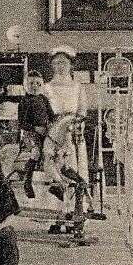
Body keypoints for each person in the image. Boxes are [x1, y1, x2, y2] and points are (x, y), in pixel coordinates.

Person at [41, 46, 91, 231]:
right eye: (57, 63)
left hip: (74, 136)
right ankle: (56, 217)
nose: (60, 66)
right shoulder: (46, 88)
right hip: (54, 135)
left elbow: (82, 111)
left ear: (71, 65)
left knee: (74, 172)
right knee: (55, 174)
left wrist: (75, 126)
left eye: (64, 62)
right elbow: (42, 113)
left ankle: (75, 215)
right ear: (52, 65)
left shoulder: (78, 87)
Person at [15, 71, 53, 198]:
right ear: (26, 85)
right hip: (30, 133)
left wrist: (53, 123)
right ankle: (27, 182)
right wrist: (35, 128)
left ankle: (54, 182)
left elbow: (52, 115)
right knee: (36, 152)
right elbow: (22, 123)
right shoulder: (24, 101)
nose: (35, 86)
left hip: (45, 131)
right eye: (31, 83)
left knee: (54, 151)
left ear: (42, 84)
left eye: (38, 83)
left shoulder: (44, 99)